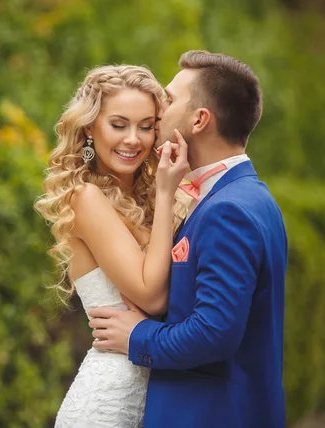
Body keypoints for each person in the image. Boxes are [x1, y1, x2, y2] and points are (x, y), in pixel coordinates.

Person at [88, 51, 287, 428]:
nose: (160, 109)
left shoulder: (227, 210)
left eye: (171, 98)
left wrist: (138, 336)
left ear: (199, 120)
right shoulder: (249, 196)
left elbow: (213, 333)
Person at [35, 64, 189, 427]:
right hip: (108, 403)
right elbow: (152, 297)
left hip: (158, 395)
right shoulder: (85, 197)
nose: (133, 139)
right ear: (90, 127)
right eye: (118, 125)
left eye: (146, 126)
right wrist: (167, 193)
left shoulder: (146, 195)